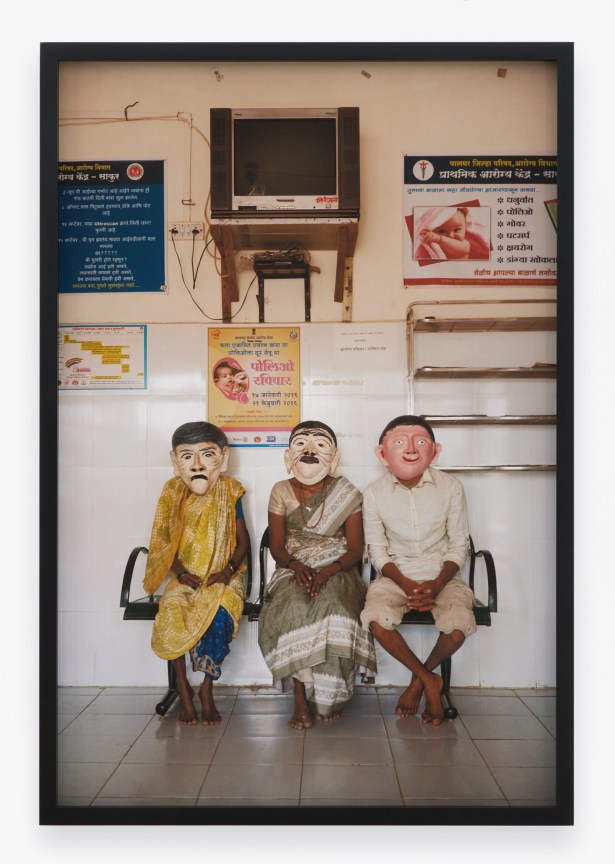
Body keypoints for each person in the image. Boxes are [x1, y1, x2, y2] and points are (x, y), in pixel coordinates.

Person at [258, 421, 377, 729]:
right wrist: (297, 567)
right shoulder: (280, 490)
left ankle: (327, 698)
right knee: (294, 609)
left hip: (338, 569)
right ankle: (300, 699)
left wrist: (327, 572)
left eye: (319, 446)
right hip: (292, 568)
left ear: (333, 456)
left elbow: (354, 550)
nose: (310, 452)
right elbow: (276, 545)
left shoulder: (348, 493)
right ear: (289, 455)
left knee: (337, 608)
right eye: (301, 445)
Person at [360, 415, 475, 726]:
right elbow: (377, 552)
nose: (410, 449)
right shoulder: (373, 493)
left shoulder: (451, 487)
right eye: (399, 442)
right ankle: (429, 679)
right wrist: (407, 584)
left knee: (459, 623)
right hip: (395, 576)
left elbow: (458, 546)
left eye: (420, 442)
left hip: (443, 575)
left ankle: (417, 683)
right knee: (375, 618)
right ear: (382, 454)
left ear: (434, 452)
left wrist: (436, 585)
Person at [143, 421, 249, 726]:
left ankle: (206, 688)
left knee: (218, 615)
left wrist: (227, 571)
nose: (198, 464)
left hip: (224, 574)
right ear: (175, 462)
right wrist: (179, 573)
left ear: (223, 459)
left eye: (207, 454)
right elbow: (164, 545)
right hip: (184, 575)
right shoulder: (172, 492)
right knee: (173, 612)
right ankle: (184, 690)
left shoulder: (230, 490)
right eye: (187, 456)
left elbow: (244, 542)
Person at [415, 206, 489, 261]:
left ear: (465, 228)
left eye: (456, 230)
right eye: (441, 231)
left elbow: (459, 251)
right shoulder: (432, 246)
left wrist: (439, 238)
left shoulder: (465, 245)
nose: (450, 235)